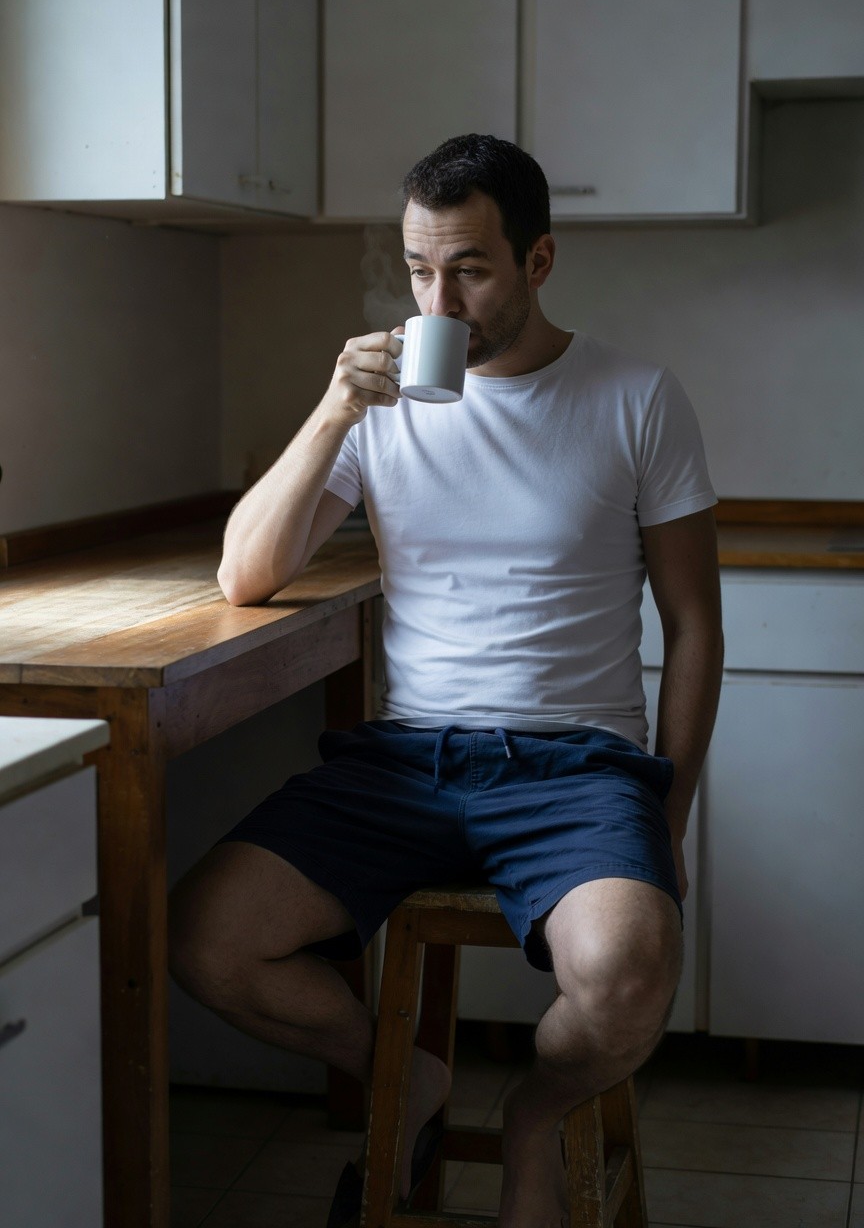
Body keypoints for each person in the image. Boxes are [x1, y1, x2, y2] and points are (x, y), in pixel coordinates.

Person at [169, 134, 723, 1228]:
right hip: (407, 758)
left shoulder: (638, 399)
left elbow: (694, 624)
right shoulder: (380, 410)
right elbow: (245, 571)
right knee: (203, 940)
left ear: (539, 260)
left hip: (578, 766)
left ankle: (529, 1119)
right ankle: (401, 1078)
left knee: (626, 981)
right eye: (421, 270)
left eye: (468, 268)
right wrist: (334, 409)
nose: (439, 298)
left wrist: (673, 814)